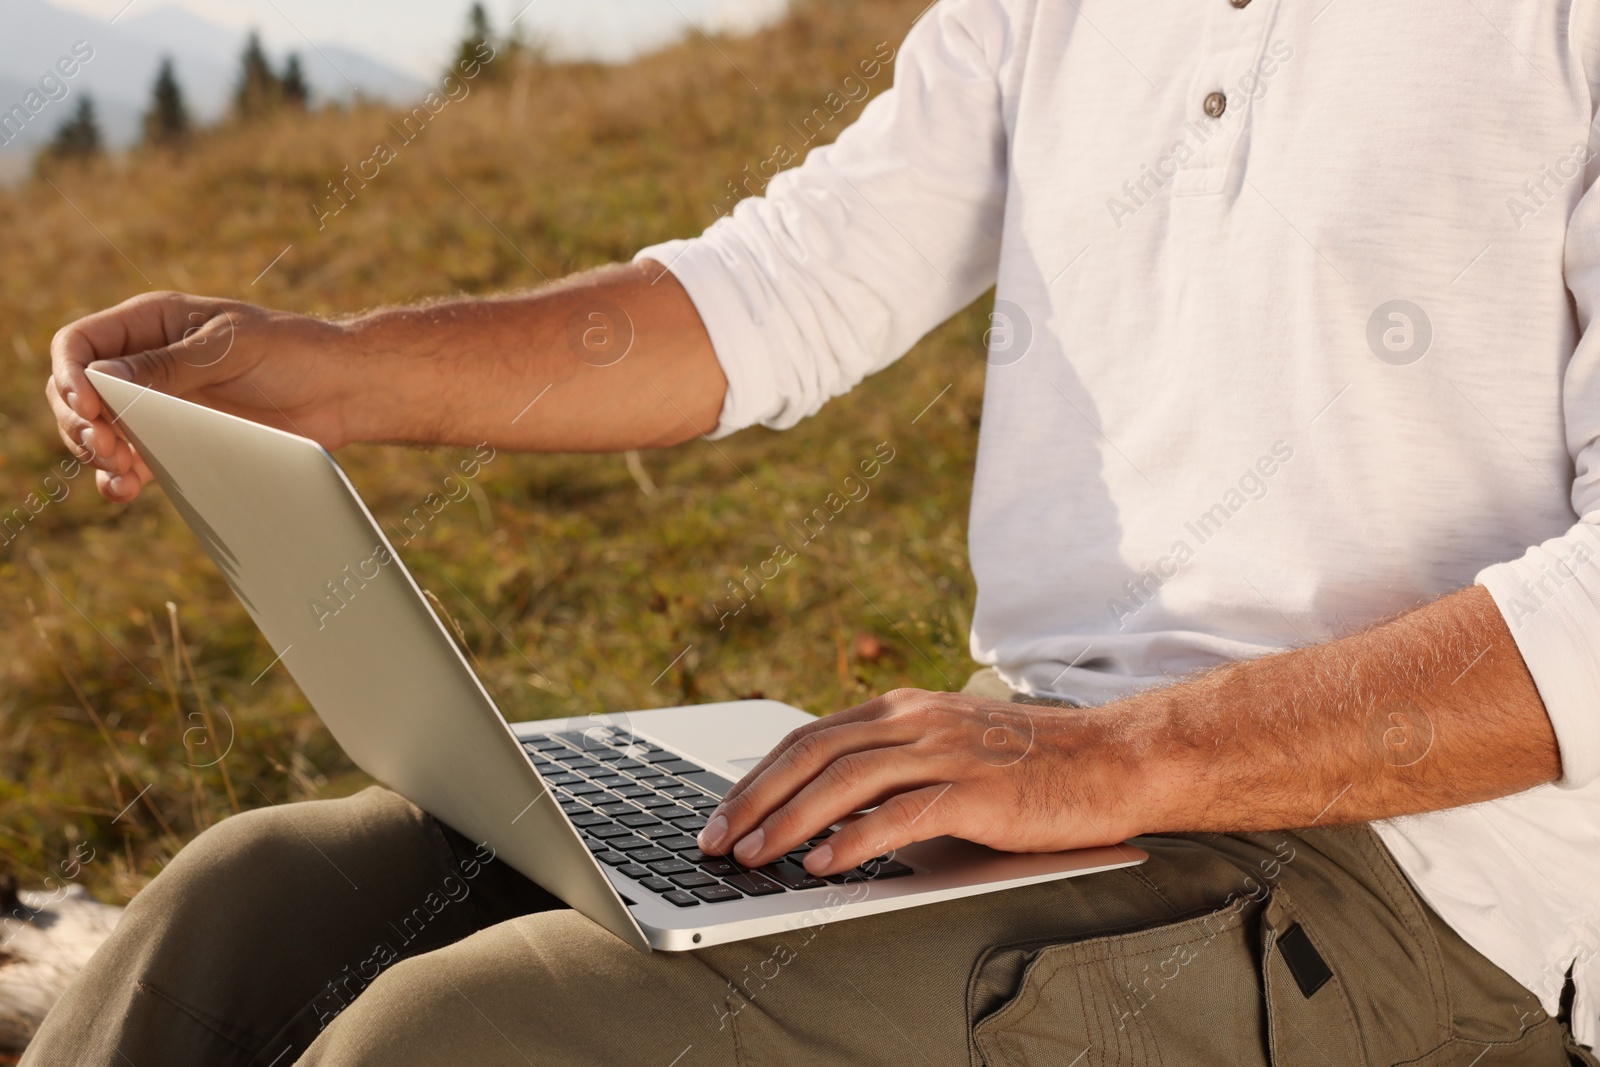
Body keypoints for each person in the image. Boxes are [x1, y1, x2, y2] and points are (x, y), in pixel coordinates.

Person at [24, 1, 1600, 1064]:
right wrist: (329, 370)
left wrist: (1118, 760)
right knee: (243, 908)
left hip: (1411, 889)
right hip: (1048, 780)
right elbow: (786, 287)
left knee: (461, 1035)